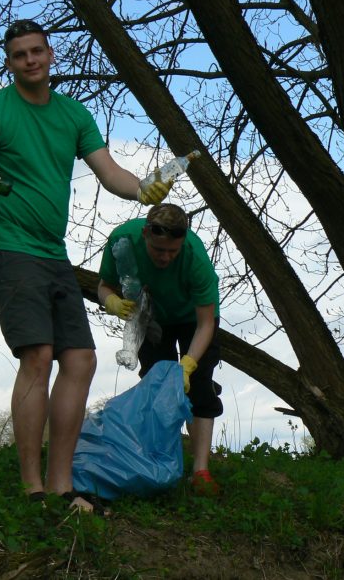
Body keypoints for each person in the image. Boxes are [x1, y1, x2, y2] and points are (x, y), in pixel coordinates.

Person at [0, 19, 173, 513]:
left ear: (50, 56)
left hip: (53, 253)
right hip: (5, 246)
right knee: (39, 355)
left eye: (37, 52)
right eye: (19, 55)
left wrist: (143, 189)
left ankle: (60, 485)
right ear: (10, 64)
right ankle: (32, 490)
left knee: (81, 360)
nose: (30, 60)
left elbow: (109, 170)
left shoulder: (74, 115)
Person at [97, 203, 222, 495]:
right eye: (159, 251)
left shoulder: (195, 258)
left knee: (199, 384)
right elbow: (105, 285)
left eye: (172, 252)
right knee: (156, 384)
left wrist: (189, 364)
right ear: (145, 235)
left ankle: (200, 471)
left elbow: (206, 324)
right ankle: (161, 462)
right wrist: (111, 302)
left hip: (193, 319)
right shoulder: (122, 241)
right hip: (152, 317)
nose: (166, 257)